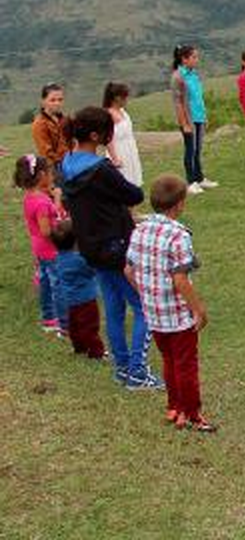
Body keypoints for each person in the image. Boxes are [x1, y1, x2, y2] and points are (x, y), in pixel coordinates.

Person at [60, 106, 160, 389]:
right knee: (143, 308)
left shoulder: (66, 165)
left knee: (115, 309)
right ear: (96, 135)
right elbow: (135, 193)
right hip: (117, 247)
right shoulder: (100, 169)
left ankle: (122, 368)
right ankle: (138, 373)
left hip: (91, 248)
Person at [127, 174, 213, 431]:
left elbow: (129, 271)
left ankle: (174, 407)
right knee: (186, 364)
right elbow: (180, 280)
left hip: (153, 313)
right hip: (177, 315)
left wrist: (146, 293)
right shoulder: (179, 236)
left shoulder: (139, 230)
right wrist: (198, 309)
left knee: (168, 360)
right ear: (179, 204)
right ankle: (192, 414)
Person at [15, 154, 67, 334]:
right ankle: (64, 324)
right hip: (50, 249)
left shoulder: (30, 197)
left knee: (45, 282)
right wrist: (58, 200)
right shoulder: (42, 202)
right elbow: (46, 230)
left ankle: (48, 318)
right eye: (51, 172)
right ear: (42, 175)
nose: (53, 175)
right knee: (58, 284)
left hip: (38, 248)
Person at [50, 220, 106, 359]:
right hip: (86, 299)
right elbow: (92, 271)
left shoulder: (58, 258)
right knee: (90, 326)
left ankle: (79, 347)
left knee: (74, 326)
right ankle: (96, 352)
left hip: (70, 299)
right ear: (76, 241)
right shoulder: (79, 260)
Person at [171, 45, 218, 195]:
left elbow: (198, 97)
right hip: (189, 119)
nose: (196, 60)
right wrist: (184, 123)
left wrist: (204, 116)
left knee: (198, 149)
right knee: (190, 150)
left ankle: (199, 177)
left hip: (199, 117)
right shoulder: (178, 77)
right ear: (184, 59)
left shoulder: (194, 74)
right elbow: (178, 103)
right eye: (194, 57)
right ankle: (190, 181)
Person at [103, 82, 143, 188]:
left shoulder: (122, 111)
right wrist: (115, 158)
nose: (127, 99)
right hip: (119, 151)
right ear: (117, 98)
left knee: (133, 181)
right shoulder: (109, 114)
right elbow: (108, 138)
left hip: (130, 149)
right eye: (125, 97)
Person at [31, 83, 69, 175]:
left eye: (60, 100)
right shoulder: (40, 124)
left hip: (70, 165)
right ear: (43, 101)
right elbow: (47, 154)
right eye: (52, 100)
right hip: (55, 170)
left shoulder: (65, 119)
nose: (57, 103)